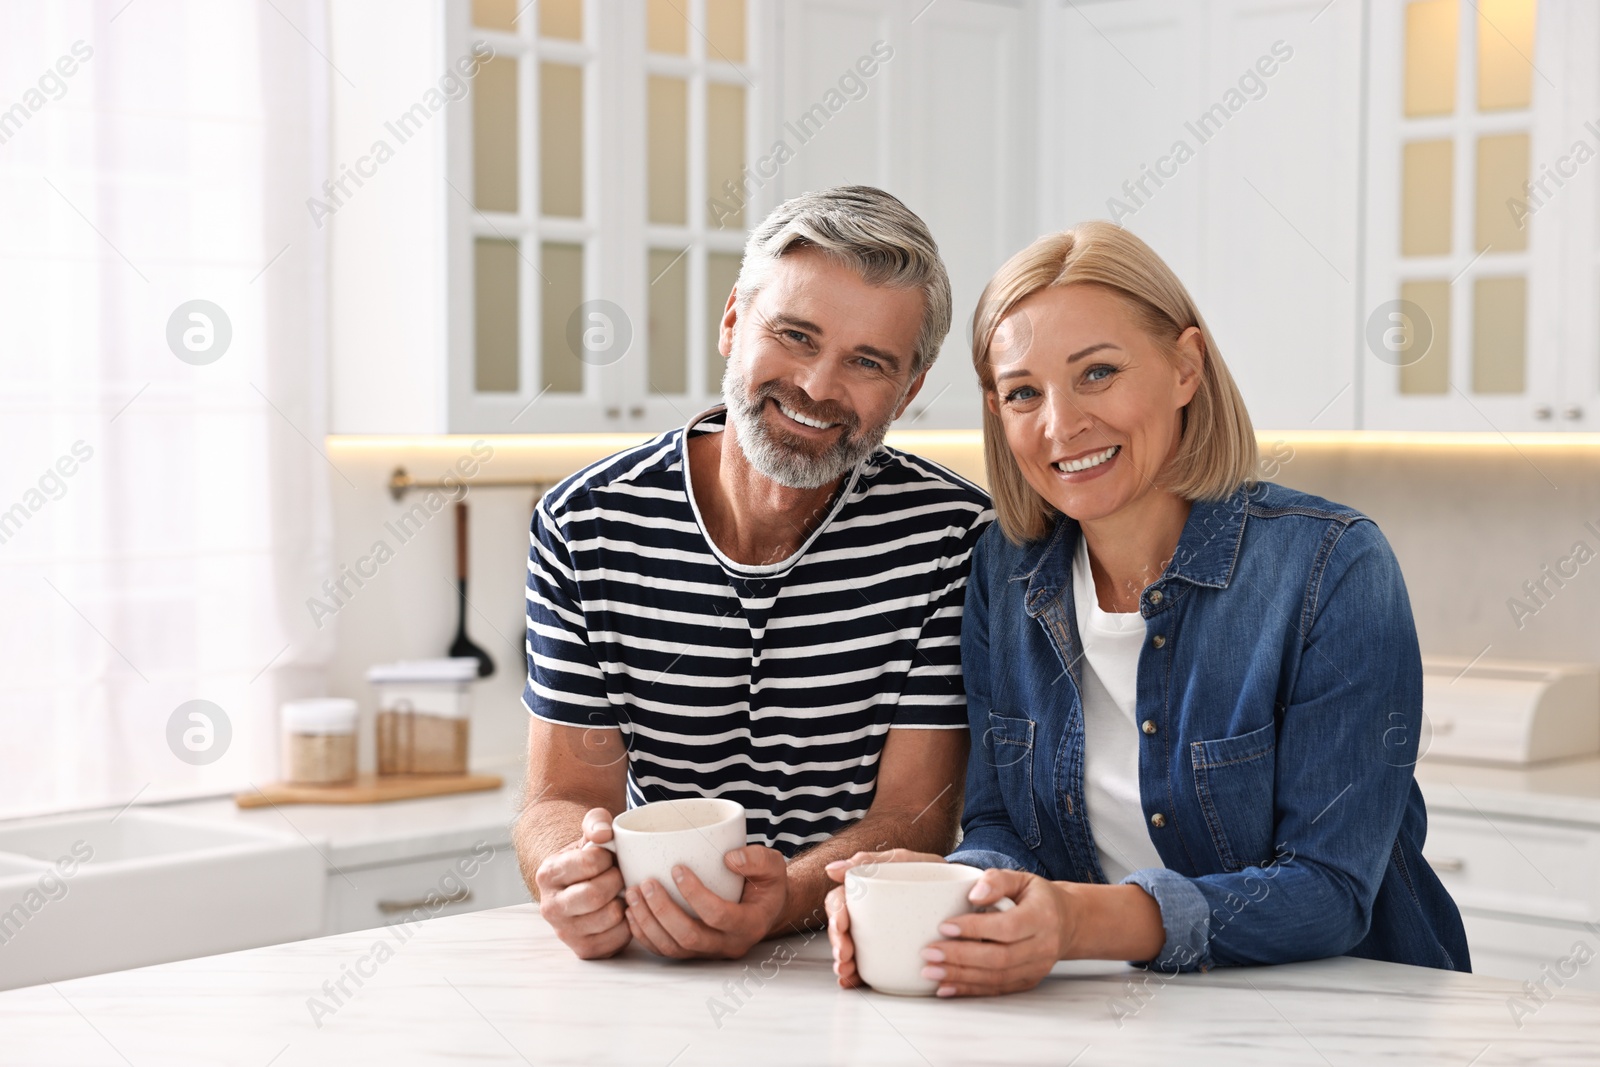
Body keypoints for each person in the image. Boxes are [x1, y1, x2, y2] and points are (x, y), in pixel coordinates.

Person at [826, 221, 1469, 996]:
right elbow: (1002, 829)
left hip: (1349, 1015)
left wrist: (1080, 919)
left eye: (1097, 373)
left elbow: (1330, 890)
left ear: (1185, 367)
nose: (1062, 425)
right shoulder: (1004, 569)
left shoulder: (1332, 567)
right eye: (1024, 392)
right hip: (1116, 1009)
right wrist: (953, 893)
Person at [515, 186, 993, 962]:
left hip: (846, 951)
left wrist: (783, 900)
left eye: (867, 362)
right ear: (734, 321)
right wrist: (570, 871)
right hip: (649, 951)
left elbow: (918, 814)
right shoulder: (585, 525)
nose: (815, 386)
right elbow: (563, 797)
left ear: (908, 390)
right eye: (795, 335)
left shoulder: (954, 540)